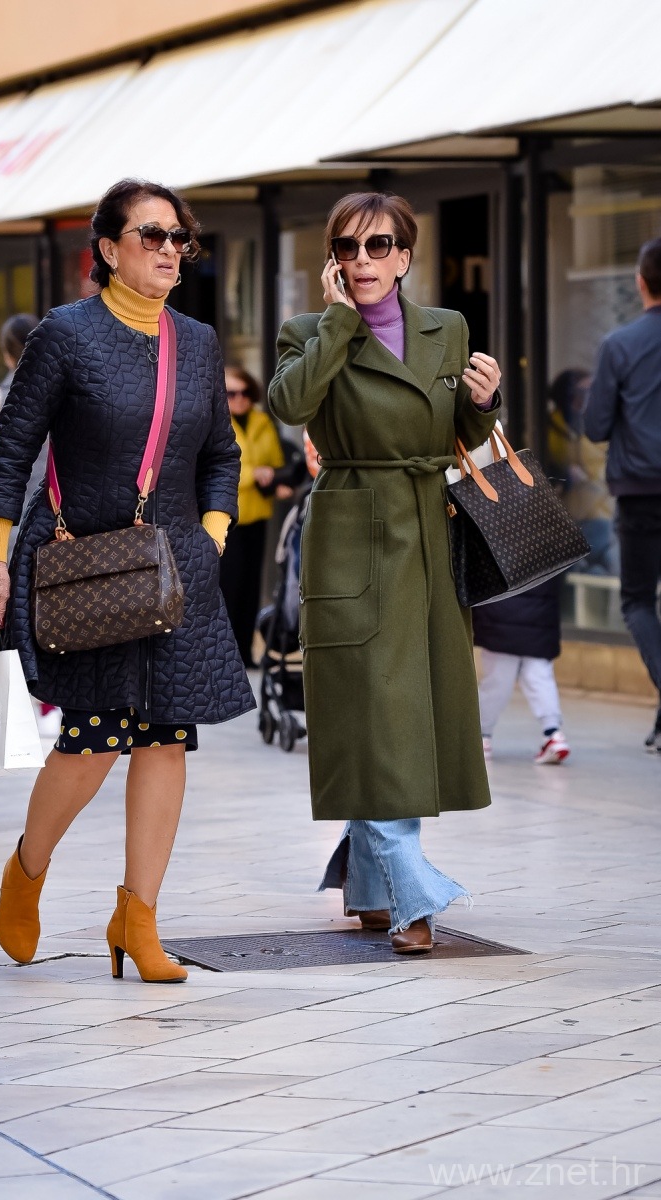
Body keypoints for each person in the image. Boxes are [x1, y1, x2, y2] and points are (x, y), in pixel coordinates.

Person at [0, 178, 254, 984]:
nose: (169, 250)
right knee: (92, 742)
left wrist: (210, 536)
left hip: (175, 575)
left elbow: (221, 454)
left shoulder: (196, 341)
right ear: (107, 249)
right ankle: (27, 868)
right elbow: (10, 450)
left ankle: (138, 918)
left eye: (178, 238)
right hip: (87, 572)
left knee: (165, 739)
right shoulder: (65, 335)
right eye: (150, 235)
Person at [268, 192, 502, 953]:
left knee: (405, 711)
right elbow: (290, 404)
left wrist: (484, 402)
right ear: (332, 259)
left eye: (378, 246)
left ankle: (369, 883)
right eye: (347, 247)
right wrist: (337, 324)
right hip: (352, 534)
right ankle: (409, 894)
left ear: (404, 256)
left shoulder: (447, 328)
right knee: (375, 710)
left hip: (430, 533)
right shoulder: (306, 331)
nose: (362, 260)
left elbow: (455, 428)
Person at [584, 236, 661, 753]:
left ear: (640, 282)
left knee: (637, 601)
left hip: (641, 492)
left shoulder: (620, 345)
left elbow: (594, 426)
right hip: (640, 489)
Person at [0, 312, 60, 738]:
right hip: (62, 514)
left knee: (21, 613)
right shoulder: (67, 383)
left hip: (16, 519)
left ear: (8, 355)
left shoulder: (0, 397)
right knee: (58, 609)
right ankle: (50, 701)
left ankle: (32, 701)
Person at [219, 365, 285, 666]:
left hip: (256, 517)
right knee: (227, 588)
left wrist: (275, 479)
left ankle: (246, 654)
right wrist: (253, 475)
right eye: (231, 393)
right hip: (224, 518)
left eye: (245, 392)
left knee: (250, 587)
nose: (239, 399)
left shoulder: (262, 421)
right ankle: (226, 658)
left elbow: (275, 462)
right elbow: (215, 466)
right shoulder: (215, 421)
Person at [474, 579, 569, 764]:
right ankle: (553, 733)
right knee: (540, 678)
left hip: (499, 613)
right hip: (540, 615)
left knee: (497, 682)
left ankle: (481, 736)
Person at [547, 369, 616, 576]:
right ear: (569, 395)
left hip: (602, 512)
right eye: (584, 391)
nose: (591, 396)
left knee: (602, 573)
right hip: (569, 516)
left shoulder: (594, 422)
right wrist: (565, 473)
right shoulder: (553, 428)